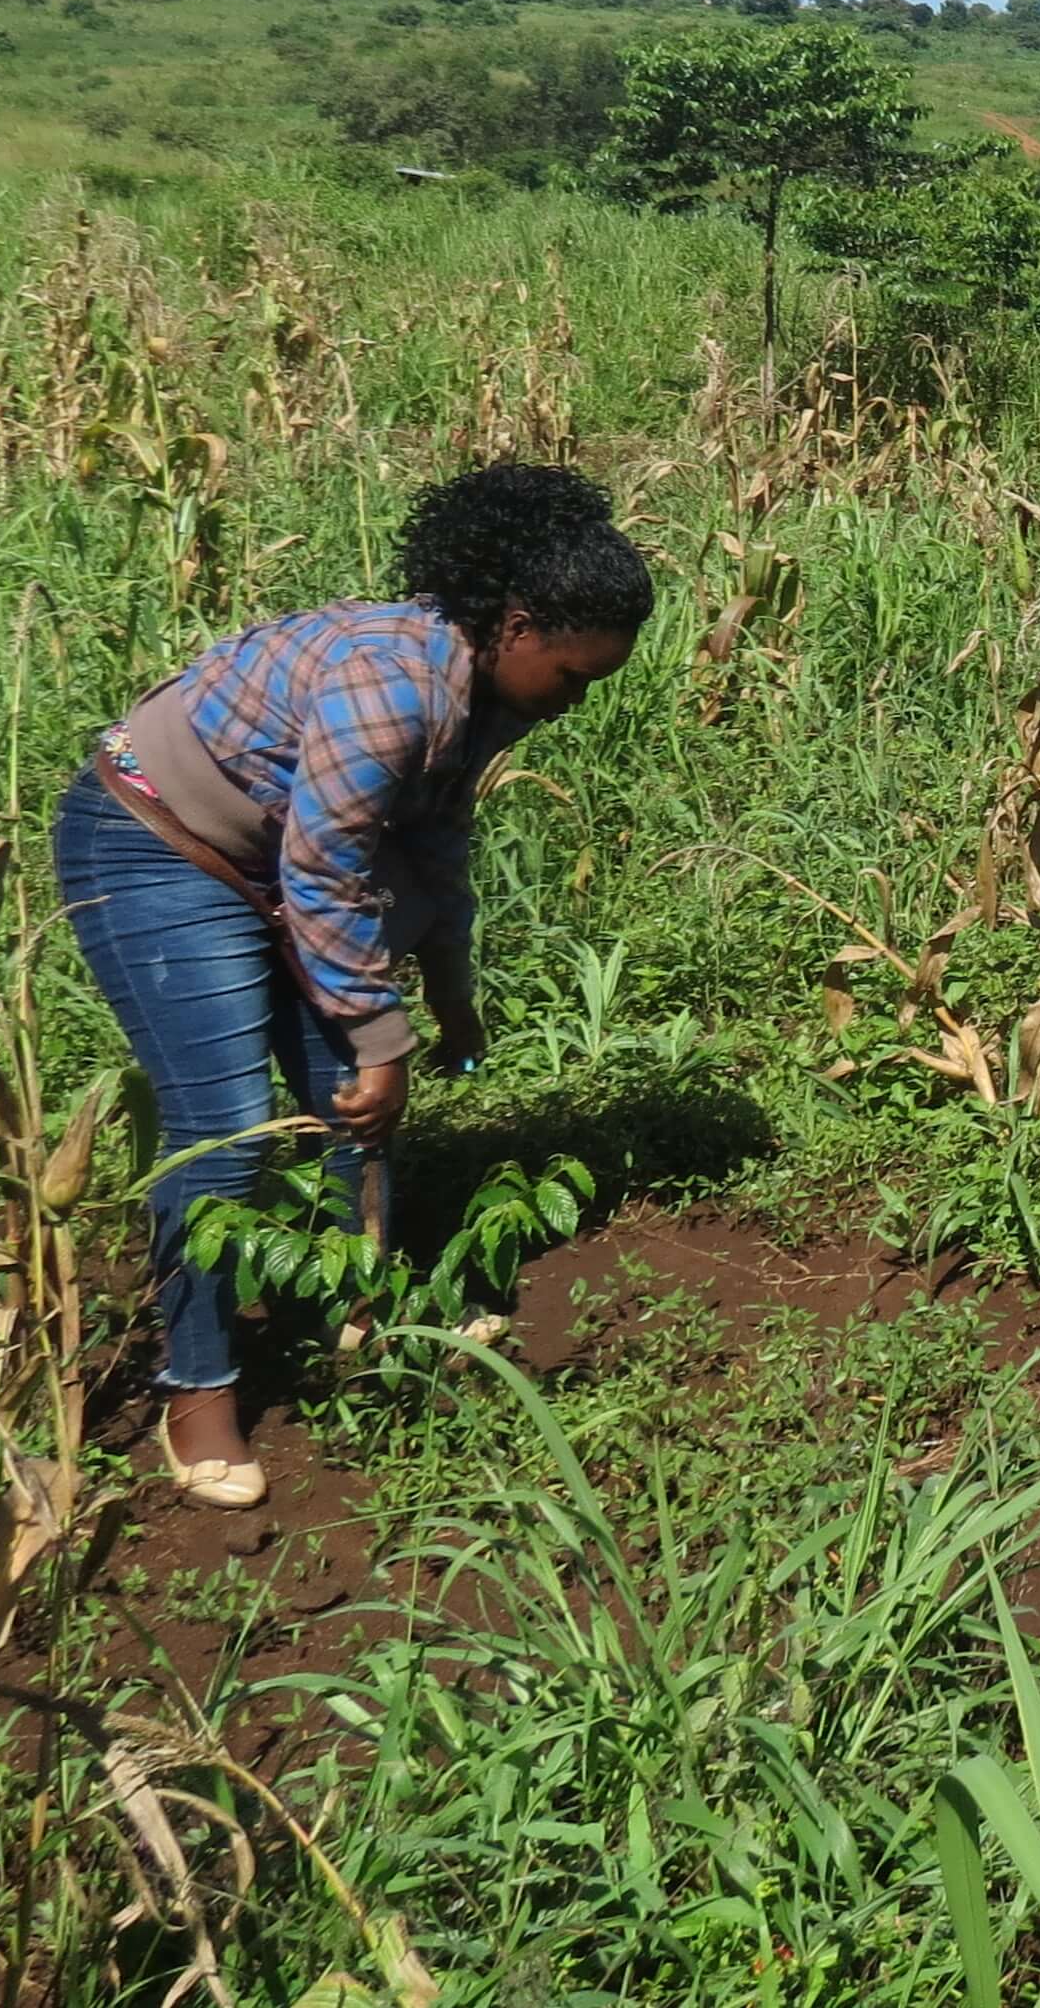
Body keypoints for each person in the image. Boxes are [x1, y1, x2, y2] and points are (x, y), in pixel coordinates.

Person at [55, 463, 652, 1508]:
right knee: (227, 1123)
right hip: (153, 844)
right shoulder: (392, 688)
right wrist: (387, 1038)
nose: (575, 703)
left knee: (351, 1101)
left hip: (270, 853)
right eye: (572, 675)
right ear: (516, 627)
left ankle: (358, 1307)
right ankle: (195, 1388)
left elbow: (432, 844)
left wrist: (448, 994)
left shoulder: (483, 696)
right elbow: (327, 871)